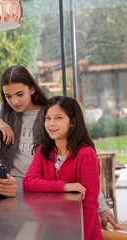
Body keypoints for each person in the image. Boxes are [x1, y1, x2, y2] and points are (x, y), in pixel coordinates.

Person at [0, 65, 122, 229]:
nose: (15, 101)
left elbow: (86, 173)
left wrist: (101, 207)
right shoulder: (5, 112)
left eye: (20, 94)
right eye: (8, 96)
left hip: (44, 194)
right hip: (11, 195)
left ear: (32, 89)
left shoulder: (51, 114)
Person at [23, 96, 103, 240]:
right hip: (51, 231)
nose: (51, 124)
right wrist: (64, 186)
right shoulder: (44, 150)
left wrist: (79, 236)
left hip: (83, 233)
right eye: (48, 118)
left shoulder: (86, 154)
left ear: (72, 122)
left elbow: (90, 205)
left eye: (58, 118)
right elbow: (28, 182)